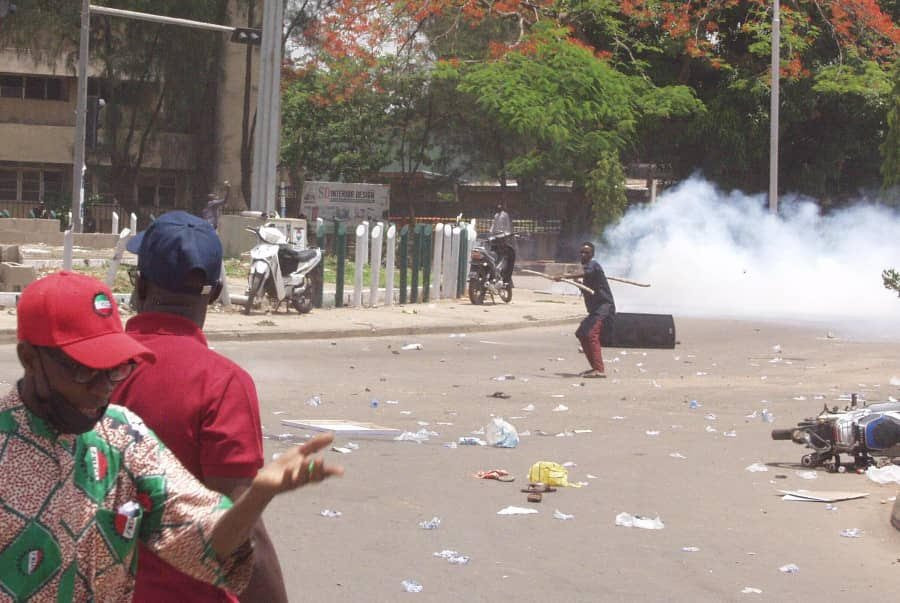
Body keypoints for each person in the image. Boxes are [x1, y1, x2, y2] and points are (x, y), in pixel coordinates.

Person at [0, 271, 343, 601]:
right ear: (29, 358)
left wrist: (257, 497)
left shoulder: (123, 437)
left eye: (115, 370)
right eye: (84, 370)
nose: (102, 389)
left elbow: (205, 544)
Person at [113, 211, 287, 602]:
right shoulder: (222, 384)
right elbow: (243, 528)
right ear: (214, 291)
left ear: (140, 285)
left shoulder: (90, 372)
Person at [555, 242, 616, 378]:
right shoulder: (586, 268)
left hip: (604, 307)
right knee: (582, 333)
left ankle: (599, 370)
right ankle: (594, 368)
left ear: (592, 254)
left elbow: (585, 272)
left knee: (591, 334)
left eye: (586, 252)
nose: (583, 255)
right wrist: (575, 281)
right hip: (595, 309)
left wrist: (564, 276)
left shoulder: (594, 265)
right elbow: (585, 286)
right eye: (581, 252)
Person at [488, 201, 515, 284]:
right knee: (494, 255)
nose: (498, 208)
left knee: (505, 254)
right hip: (495, 237)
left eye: (500, 207)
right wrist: (490, 233)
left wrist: (507, 233)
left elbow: (507, 225)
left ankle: (505, 276)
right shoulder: (496, 215)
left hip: (503, 236)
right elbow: (493, 225)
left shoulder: (505, 215)